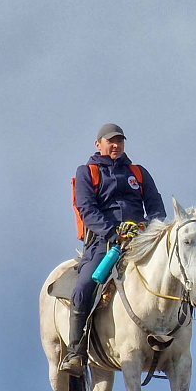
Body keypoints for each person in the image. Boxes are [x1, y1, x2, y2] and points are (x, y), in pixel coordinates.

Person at [58, 123, 166, 375]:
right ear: (99, 144)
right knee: (84, 285)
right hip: (103, 243)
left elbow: (156, 206)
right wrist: (114, 233)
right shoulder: (88, 172)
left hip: (140, 241)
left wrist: (148, 230)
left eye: (120, 141)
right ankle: (75, 352)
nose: (115, 145)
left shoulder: (138, 173)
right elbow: (86, 209)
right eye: (110, 141)